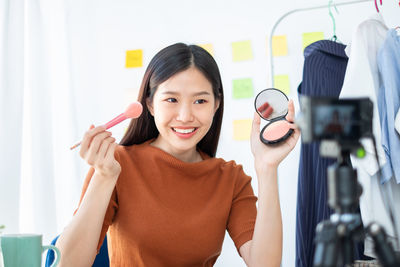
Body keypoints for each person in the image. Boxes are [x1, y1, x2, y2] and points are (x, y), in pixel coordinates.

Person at [55, 43, 300, 267]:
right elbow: (68, 264)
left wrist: (267, 168)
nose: (185, 116)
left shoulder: (230, 179)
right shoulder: (116, 164)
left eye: (200, 101)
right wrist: (104, 177)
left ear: (216, 104)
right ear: (150, 104)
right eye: (171, 99)